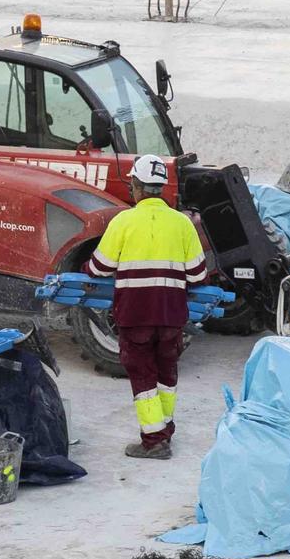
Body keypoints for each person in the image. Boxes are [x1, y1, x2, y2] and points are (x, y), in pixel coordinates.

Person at [86, 154, 210, 459]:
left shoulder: (123, 221)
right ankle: (165, 430)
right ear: (163, 188)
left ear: (137, 187)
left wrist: (90, 269)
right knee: (167, 371)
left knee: (142, 375)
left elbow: (99, 267)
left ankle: (154, 442)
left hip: (135, 314)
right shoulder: (182, 223)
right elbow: (197, 274)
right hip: (171, 315)